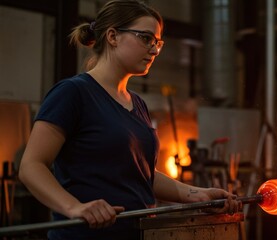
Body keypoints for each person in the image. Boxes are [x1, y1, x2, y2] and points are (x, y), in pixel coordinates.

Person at [18, 1, 240, 239]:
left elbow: (142, 175)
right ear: (113, 36)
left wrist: (196, 194)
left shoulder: (137, 104)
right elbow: (31, 166)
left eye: (157, 43)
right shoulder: (73, 93)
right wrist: (75, 207)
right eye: (146, 38)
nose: (154, 51)